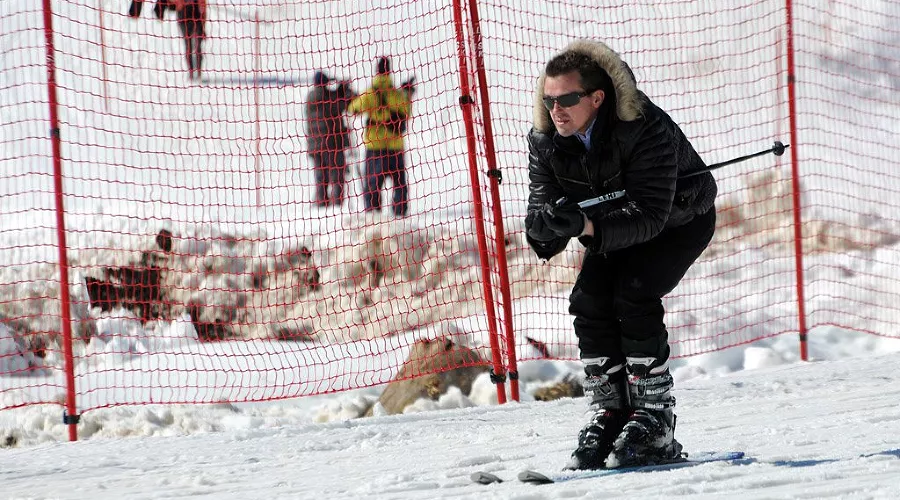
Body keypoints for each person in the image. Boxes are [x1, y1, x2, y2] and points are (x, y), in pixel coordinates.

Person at [524, 40, 717, 470]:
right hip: (611, 227)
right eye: (549, 100)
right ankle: (609, 412)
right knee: (589, 299)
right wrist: (544, 231)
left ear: (596, 98)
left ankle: (654, 419)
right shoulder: (547, 140)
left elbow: (650, 215)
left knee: (633, 293)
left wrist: (586, 226)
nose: (556, 110)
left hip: (677, 222)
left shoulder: (643, 126)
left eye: (567, 100)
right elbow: (544, 207)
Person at [347, 57, 414, 217]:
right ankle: (400, 215)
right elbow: (407, 112)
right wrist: (407, 93)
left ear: (377, 71)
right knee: (399, 185)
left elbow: (352, 108)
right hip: (395, 148)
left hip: (375, 148)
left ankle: (373, 216)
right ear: (390, 71)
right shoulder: (396, 94)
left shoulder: (370, 93)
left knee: (372, 185)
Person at [305, 71, 355, 206]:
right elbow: (342, 105)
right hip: (331, 144)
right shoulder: (328, 97)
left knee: (321, 178)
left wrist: (339, 91)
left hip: (314, 145)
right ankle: (337, 203)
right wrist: (343, 90)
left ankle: (321, 203)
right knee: (337, 175)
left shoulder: (310, 97)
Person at [128, 0, 207, 80]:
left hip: (196, 17)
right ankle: (192, 74)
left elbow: (203, 6)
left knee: (196, 47)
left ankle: (198, 74)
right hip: (184, 16)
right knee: (189, 46)